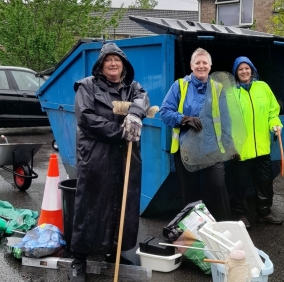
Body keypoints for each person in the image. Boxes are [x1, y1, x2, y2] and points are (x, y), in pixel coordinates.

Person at [68, 42, 150, 282]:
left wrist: (135, 113)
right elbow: (85, 118)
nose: (113, 63)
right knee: (90, 206)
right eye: (108, 60)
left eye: (117, 60)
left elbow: (143, 98)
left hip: (124, 157)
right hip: (96, 156)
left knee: (120, 204)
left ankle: (112, 253)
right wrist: (120, 131)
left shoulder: (132, 88)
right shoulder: (87, 87)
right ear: (100, 65)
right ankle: (78, 260)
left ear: (123, 64)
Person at [160, 47, 231, 222]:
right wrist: (183, 119)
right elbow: (164, 112)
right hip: (187, 149)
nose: (201, 66)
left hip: (212, 149)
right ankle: (193, 233)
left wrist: (230, 145)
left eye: (204, 62)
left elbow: (226, 118)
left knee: (217, 186)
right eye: (197, 62)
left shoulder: (218, 88)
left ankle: (223, 228)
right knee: (189, 193)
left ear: (210, 65)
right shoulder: (180, 85)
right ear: (191, 66)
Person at [229, 56, 284, 229]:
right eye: (240, 69)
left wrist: (275, 124)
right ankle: (240, 214)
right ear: (236, 73)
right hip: (241, 150)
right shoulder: (231, 93)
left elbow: (272, 112)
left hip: (262, 147)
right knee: (239, 184)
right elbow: (226, 120)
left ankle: (264, 212)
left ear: (252, 70)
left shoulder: (263, 87)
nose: (244, 71)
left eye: (247, 68)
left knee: (265, 181)